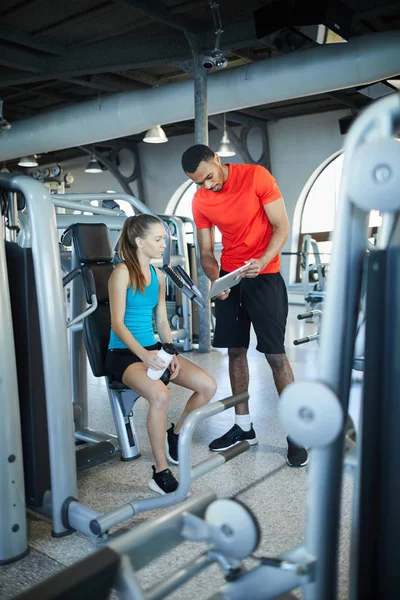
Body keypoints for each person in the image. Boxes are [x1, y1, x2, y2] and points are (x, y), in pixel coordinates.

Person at [181, 144, 308, 468]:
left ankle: (295, 432)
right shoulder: (201, 200)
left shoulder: (256, 177)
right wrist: (215, 279)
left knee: (275, 356)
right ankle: (243, 426)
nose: (207, 186)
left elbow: (281, 227)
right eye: (199, 183)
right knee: (235, 352)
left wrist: (263, 259)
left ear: (218, 161)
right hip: (231, 277)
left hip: (265, 274)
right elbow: (207, 250)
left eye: (208, 177)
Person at [105, 214, 217, 495]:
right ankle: (160, 472)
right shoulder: (121, 273)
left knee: (207, 386)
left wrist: (171, 352)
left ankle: (175, 433)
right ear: (139, 241)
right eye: (158, 239)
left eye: (164, 238)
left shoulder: (157, 276)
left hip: (152, 348)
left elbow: (162, 322)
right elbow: (117, 323)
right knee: (160, 395)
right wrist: (143, 355)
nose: (164, 243)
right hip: (123, 353)